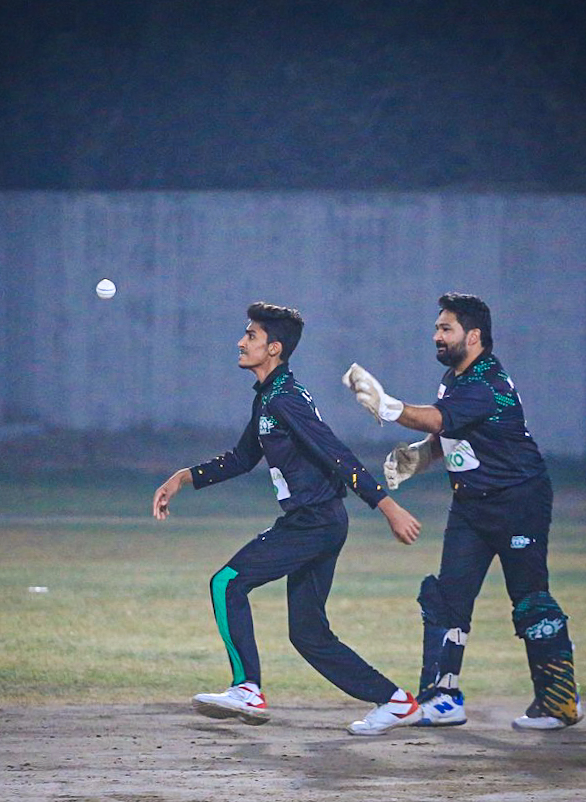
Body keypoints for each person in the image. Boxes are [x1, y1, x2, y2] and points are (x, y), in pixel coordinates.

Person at [152, 301, 424, 736]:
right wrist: (183, 478)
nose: (241, 342)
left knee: (226, 583)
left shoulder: (286, 399)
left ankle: (247, 688)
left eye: (251, 336)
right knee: (309, 634)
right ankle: (397, 702)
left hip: (313, 522)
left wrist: (386, 506)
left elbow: (336, 454)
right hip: (321, 521)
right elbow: (242, 458)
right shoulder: (269, 397)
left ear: (274, 348)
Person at [342, 292, 582, 731]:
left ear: (473, 336)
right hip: (471, 503)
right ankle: (443, 698)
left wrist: (388, 406)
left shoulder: (487, 383)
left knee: (530, 599)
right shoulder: (456, 378)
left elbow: (438, 419)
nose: (437, 336)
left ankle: (559, 702)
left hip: (518, 501)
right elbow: (452, 432)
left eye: (445, 328)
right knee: (445, 598)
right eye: (437, 328)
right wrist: (421, 457)